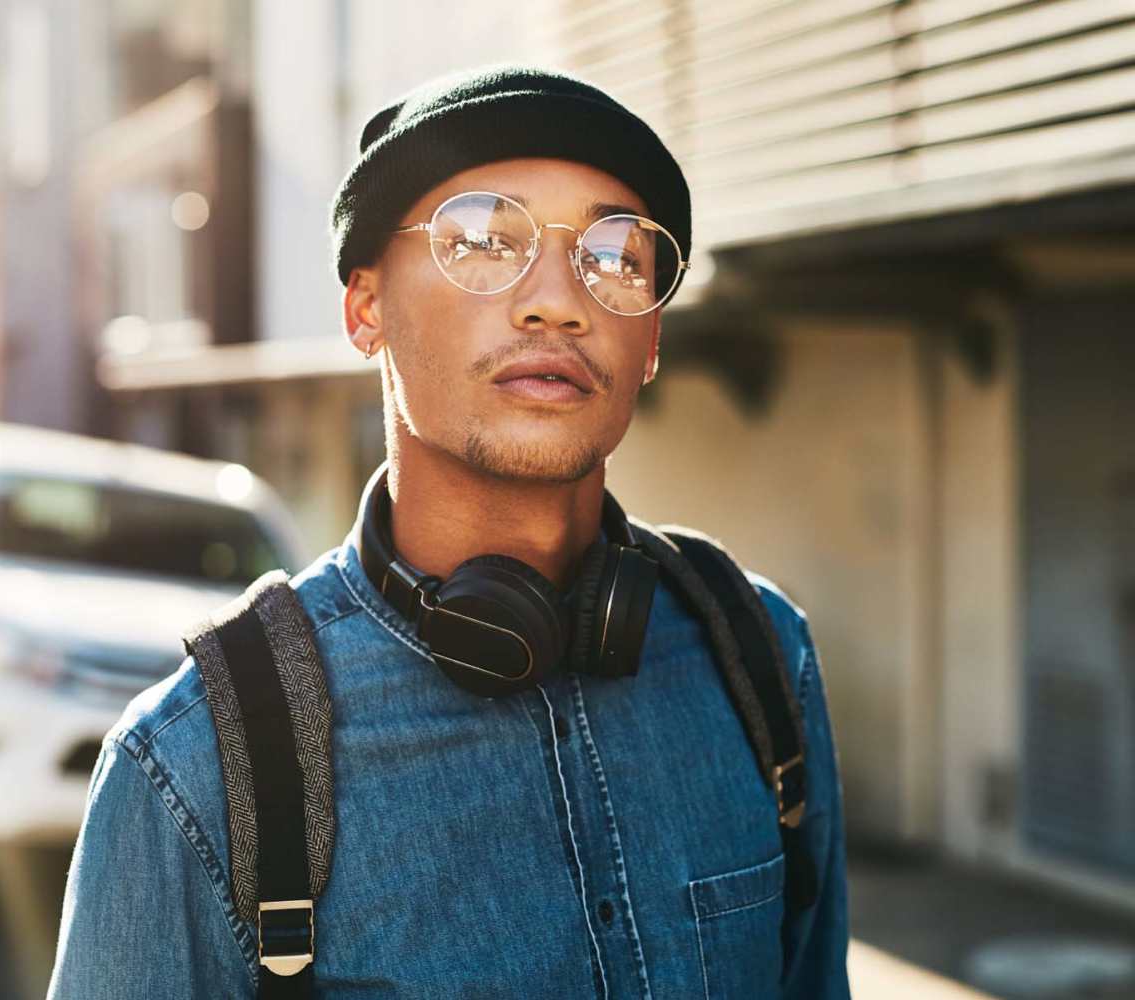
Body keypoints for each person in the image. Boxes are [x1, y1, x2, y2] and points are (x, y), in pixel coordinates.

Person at [47, 65, 851, 999]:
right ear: (365, 309)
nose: (558, 300)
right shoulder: (194, 767)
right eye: (481, 239)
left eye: (615, 256)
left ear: (655, 338)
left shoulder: (760, 661)